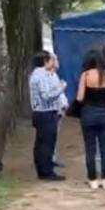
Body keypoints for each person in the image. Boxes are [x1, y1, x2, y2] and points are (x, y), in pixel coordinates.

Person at [76, 50, 105, 190]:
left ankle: (92, 179)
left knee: (90, 148)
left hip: (88, 114)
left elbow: (79, 98)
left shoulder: (86, 75)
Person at [29, 50, 66, 181]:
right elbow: (46, 96)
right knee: (46, 144)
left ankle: (42, 169)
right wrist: (61, 88)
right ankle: (46, 171)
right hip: (45, 113)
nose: (53, 62)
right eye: (51, 60)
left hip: (42, 113)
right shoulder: (41, 75)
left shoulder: (37, 74)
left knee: (41, 143)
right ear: (45, 61)